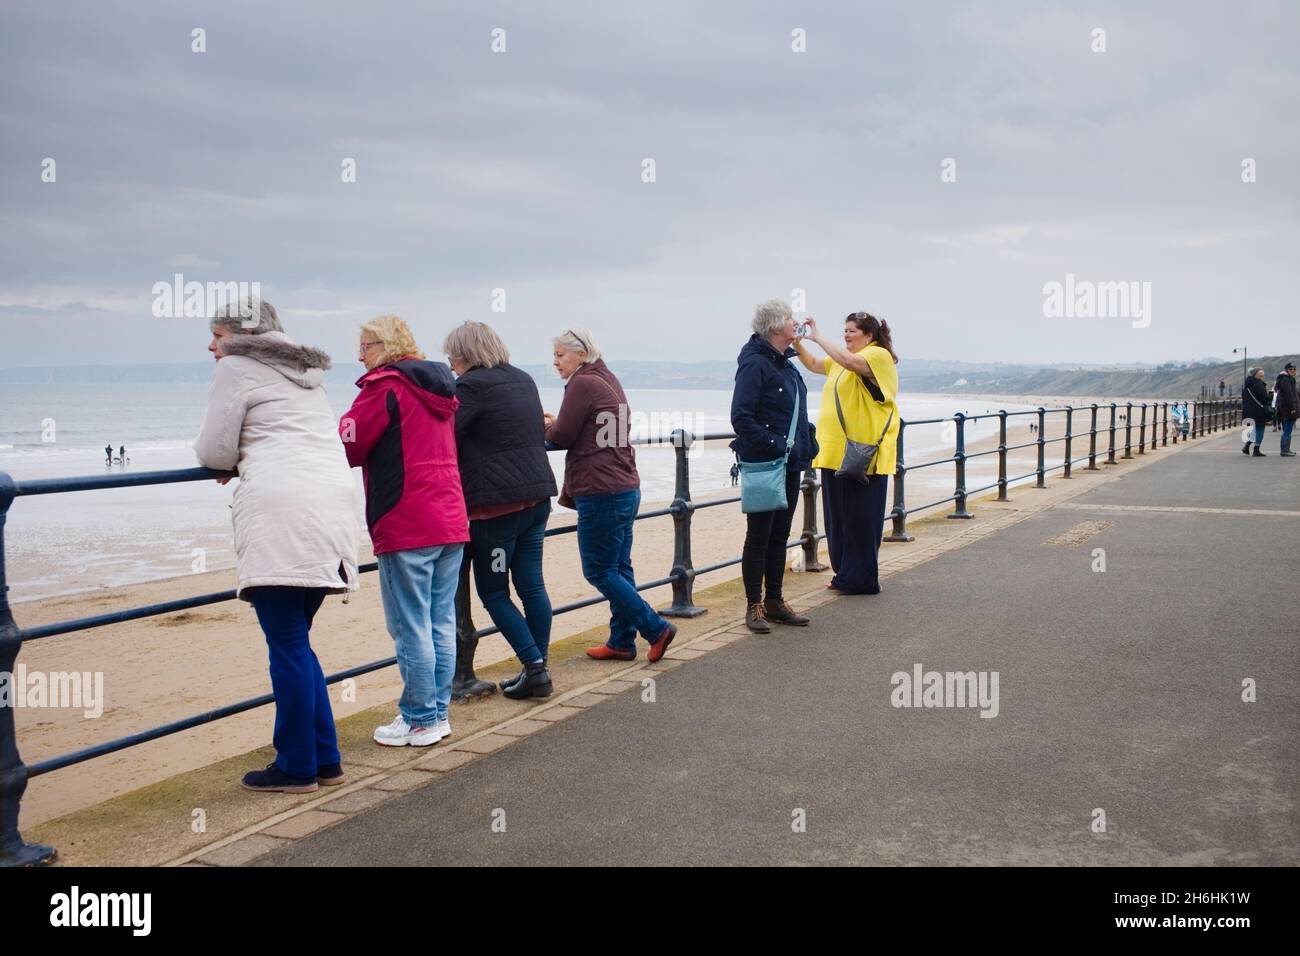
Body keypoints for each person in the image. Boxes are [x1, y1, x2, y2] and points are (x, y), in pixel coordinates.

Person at [194, 299, 359, 793]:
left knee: (286, 645)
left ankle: (296, 766)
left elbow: (213, 449)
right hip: (331, 507)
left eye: (217, 335)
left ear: (239, 338)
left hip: (282, 513)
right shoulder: (305, 371)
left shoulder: (237, 367)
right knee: (297, 643)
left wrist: (234, 459)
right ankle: (323, 759)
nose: (211, 345)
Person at [340, 315, 468, 746]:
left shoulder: (384, 388)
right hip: (449, 515)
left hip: (406, 518)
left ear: (387, 346)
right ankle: (437, 713)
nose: (359, 355)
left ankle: (418, 719)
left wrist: (341, 423)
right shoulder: (440, 388)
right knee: (439, 620)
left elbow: (351, 444)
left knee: (411, 625)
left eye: (366, 345)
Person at [544, 328, 677, 662]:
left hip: (601, 489)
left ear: (581, 353)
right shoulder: (607, 378)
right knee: (619, 566)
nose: (555, 362)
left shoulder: (582, 382)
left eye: (560, 355)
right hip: (624, 485)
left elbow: (561, 436)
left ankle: (655, 627)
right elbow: (597, 428)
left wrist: (544, 425)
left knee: (598, 570)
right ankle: (621, 640)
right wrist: (561, 423)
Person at [444, 321, 558, 699]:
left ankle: (535, 668)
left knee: (493, 592)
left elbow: (447, 436)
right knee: (531, 585)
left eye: (452, 356)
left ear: (466, 354)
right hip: (536, 499)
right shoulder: (524, 379)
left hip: (495, 511)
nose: (450, 363)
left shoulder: (470, 387)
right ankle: (537, 667)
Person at [795, 311, 900, 595]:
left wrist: (817, 337)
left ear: (870, 335)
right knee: (838, 520)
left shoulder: (877, 356)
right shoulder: (841, 361)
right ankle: (845, 575)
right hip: (834, 452)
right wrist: (797, 343)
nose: (847, 335)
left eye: (853, 331)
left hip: (863, 455)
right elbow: (816, 364)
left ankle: (863, 579)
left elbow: (850, 361)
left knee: (860, 519)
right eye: (845, 330)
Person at [730, 300, 818, 633]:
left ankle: (775, 601)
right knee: (759, 535)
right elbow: (741, 417)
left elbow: (795, 412)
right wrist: (776, 446)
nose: (795, 324)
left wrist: (806, 443)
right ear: (775, 326)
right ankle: (754, 606)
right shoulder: (755, 365)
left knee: (780, 534)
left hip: (790, 463)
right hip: (766, 463)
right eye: (790, 320)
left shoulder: (784, 364)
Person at [1242, 367, 1272, 457]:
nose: (1262, 374)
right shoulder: (1259, 384)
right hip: (1258, 411)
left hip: (1248, 411)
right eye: (1260, 373)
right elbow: (1264, 399)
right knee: (1260, 429)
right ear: (1256, 374)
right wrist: (1270, 395)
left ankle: (1247, 446)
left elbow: (1244, 398)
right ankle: (1256, 450)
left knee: (1253, 430)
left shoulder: (1247, 385)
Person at [1274, 363, 1299, 457]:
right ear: (1287, 370)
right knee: (1288, 430)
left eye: (1294, 369)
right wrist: (1293, 408)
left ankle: (1286, 449)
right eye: (1290, 369)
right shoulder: (1286, 380)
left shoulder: (1288, 379)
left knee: (1288, 429)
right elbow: (1289, 395)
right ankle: (1284, 450)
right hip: (1289, 409)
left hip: (1287, 408)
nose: (1293, 370)